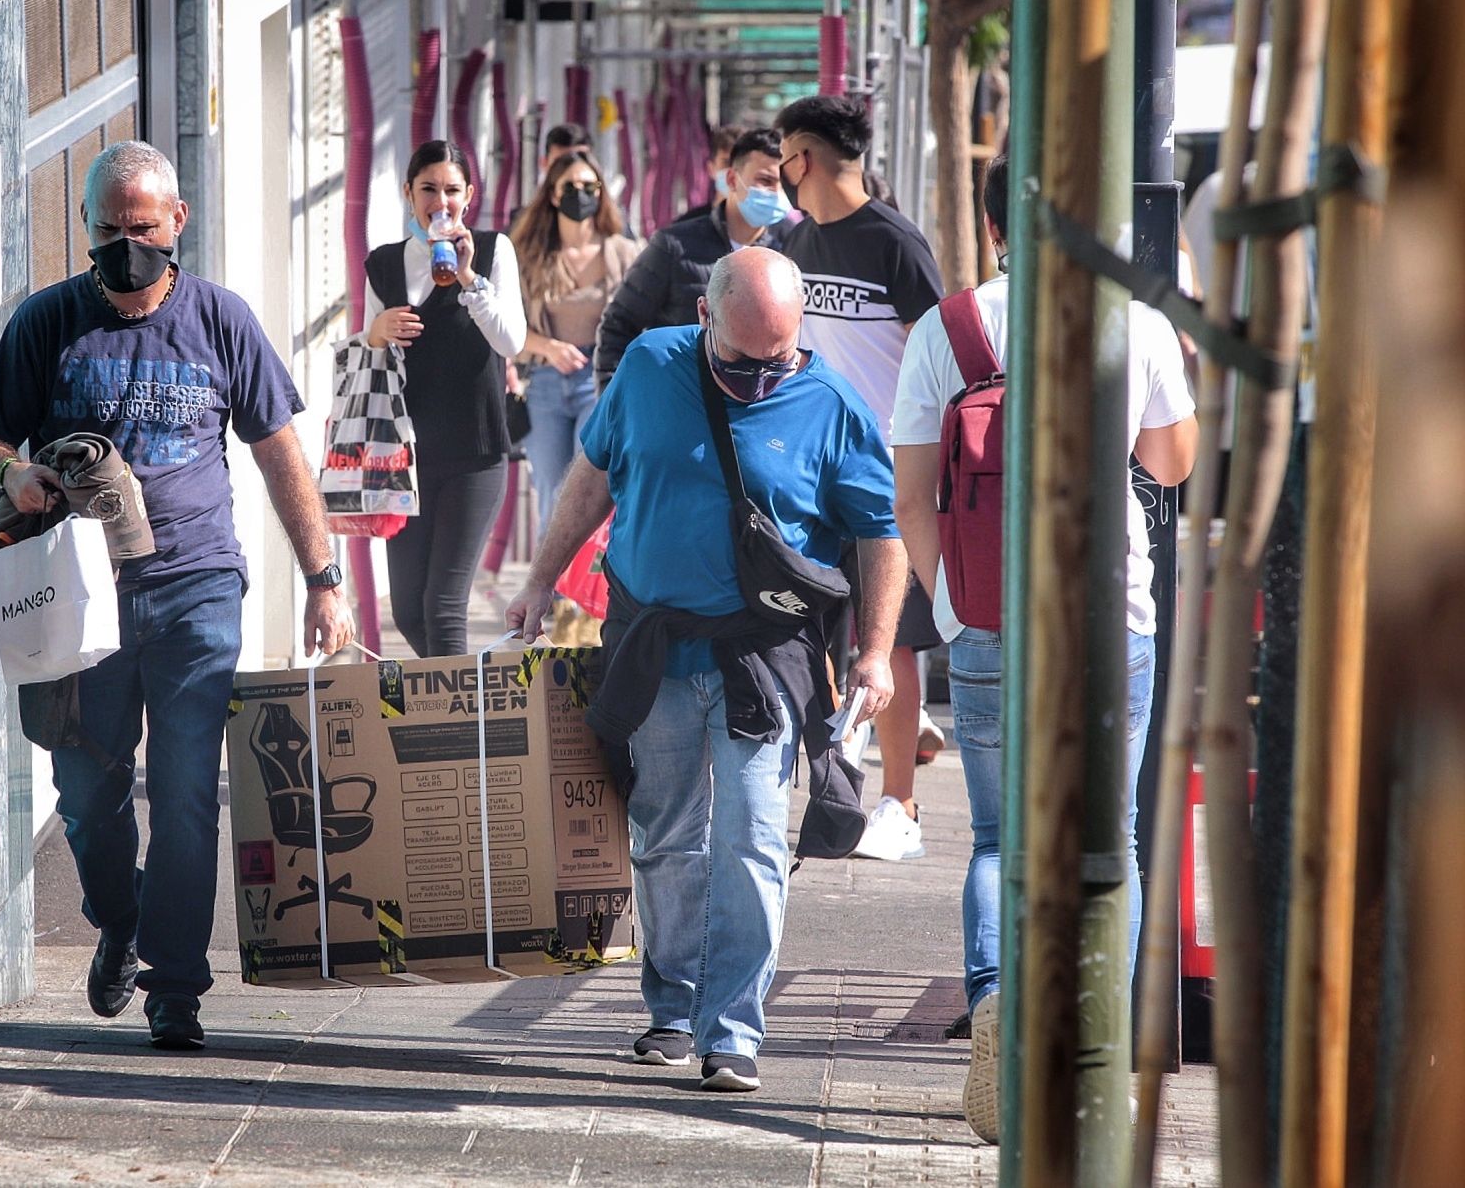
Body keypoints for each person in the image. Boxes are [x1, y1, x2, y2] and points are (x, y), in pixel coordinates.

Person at [0, 140, 354, 1051]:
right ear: (89, 227)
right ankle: (120, 920)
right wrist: (17, 471)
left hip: (196, 584)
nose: (124, 243)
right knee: (86, 794)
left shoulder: (221, 320)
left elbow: (279, 454)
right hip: (81, 596)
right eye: (106, 228)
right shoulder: (47, 322)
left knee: (185, 796)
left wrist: (323, 578)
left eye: (141, 227)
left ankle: (176, 986)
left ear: (177, 222)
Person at [506, 248, 906, 1093]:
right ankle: (673, 1010)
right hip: (653, 647)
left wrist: (874, 649)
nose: (761, 380)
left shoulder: (830, 401)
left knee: (753, 838)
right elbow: (591, 477)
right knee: (664, 835)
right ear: (703, 319)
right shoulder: (650, 366)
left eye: (779, 361)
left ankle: (734, 1030)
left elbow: (881, 529)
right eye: (739, 362)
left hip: (760, 656)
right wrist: (540, 580)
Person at [892, 154, 1198, 1142]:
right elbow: (1171, 459)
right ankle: (1101, 1033)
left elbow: (910, 490)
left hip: (983, 616)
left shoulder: (946, 328)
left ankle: (994, 1003)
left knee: (993, 837)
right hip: (1115, 617)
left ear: (989, 226)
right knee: (1113, 835)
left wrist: (951, 608)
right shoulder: (1133, 318)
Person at [775, 94, 946, 862]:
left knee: (894, 643)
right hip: (808, 471)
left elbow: (938, 357)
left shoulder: (895, 244)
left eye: (783, 154)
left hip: (886, 473)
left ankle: (900, 802)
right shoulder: (791, 243)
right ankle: (829, 779)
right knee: (808, 629)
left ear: (802, 159)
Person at [364, 140, 528, 656]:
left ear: (469, 195)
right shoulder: (385, 265)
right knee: (409, 608)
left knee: (444, 605)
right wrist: (375, 331)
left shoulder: (494, 249)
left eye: (452, 190)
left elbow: (511, 341)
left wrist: (467, 276)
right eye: (428, 189)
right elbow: (366, 363)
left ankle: (457, 732)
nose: (441, 201)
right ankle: (459, 713)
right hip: (403, 457)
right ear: (408, 194)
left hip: (474, 454)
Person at [594, 128, 794, 388]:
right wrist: (618, 407)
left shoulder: (792, 248)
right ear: (732, 179)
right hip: (678, 403)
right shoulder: (675, 246)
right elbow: (618, 325)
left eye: (784, 183)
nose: (776, 192)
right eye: (765, 181)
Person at [509, 150, 640, 537]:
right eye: (570, 186)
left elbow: (642, 318)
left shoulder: (624, 252)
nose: (580, 194)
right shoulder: (529, 256)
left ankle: (585, 593)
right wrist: (548, 347)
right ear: (552, 193)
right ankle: (550, 593)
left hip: (601, 382)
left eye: (589, 187)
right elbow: (507, 325)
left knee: (589, 488)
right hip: (545, 382)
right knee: (550, 489)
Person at [675, 124, 745, 224]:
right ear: (711, 169)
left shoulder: (762, 227)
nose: (732, 172)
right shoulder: (685, 226)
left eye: (740, 164)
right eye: (726, 163)